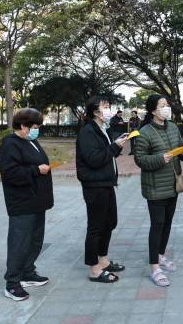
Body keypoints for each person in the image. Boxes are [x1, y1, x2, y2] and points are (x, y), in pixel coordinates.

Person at [0, 109, 53, 301]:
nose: (37, 130)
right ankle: (12, 282)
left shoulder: (30, 141)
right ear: (23, 126)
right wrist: (36, 170)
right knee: (19, 242)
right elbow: (11, 174)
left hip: (37, 201)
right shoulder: (10, 144)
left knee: (35, 239)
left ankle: (28, 272)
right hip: (22, 203)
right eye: (35, 127)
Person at [134, 95, 183, 287]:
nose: (166, 109)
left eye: (167, 105)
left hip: (173, 185)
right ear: (152, 111)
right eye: (162, 106)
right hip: (155, 187)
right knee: (157, 224)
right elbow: (139, 159)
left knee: (167, 223)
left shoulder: (173, 127)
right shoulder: (144, 132)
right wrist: (160, 158)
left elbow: (179, 149)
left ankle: (161, 255)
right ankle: (155, 267)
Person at [77, 96, 129, 283]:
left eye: (109, 106)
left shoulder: (102, 129)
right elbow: (94, 159)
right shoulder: (88, 131)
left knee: (109, 222)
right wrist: (115, 147)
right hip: (94, 185)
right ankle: (94, 269)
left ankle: (103, 260)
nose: (108, 109)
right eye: (105, 107)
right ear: (95, 112)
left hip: (106, 183)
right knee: (96, 226)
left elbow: (104, 153)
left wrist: (116, 144)